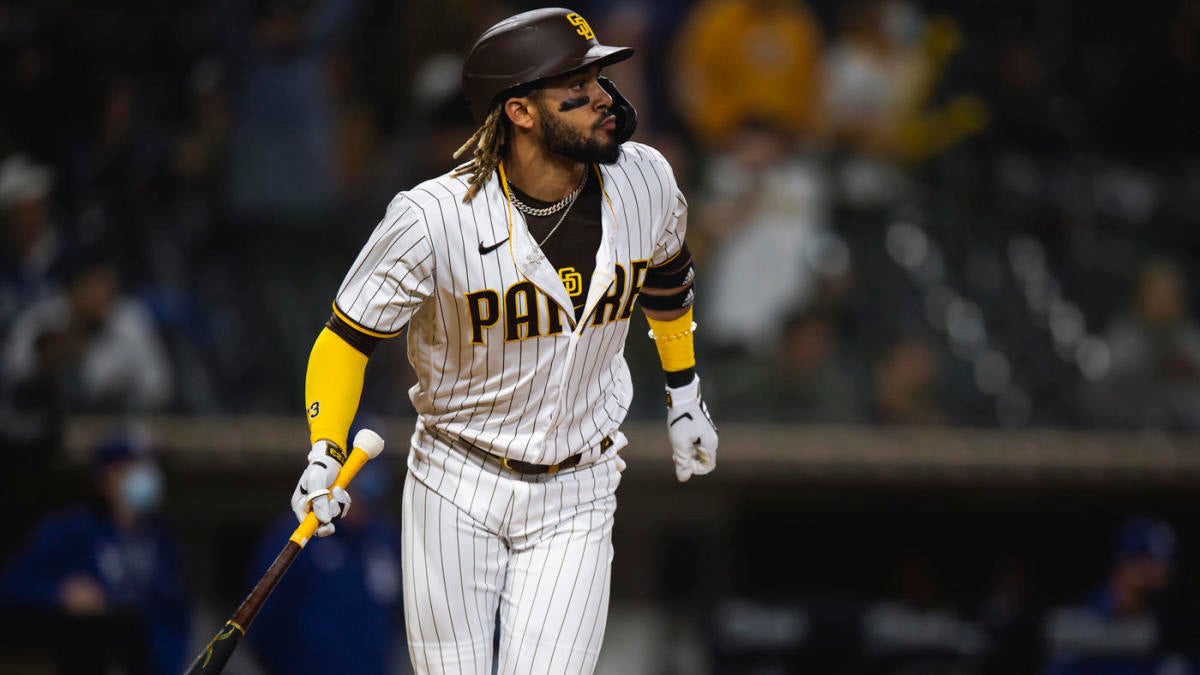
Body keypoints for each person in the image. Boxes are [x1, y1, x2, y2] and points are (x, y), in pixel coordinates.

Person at [287, 8, 719, 673]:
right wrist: (324, 449)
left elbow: (667, 278)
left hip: (581, 481)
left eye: (599, 77)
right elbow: (345, 337)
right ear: (520, 111)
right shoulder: (433, 218)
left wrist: (684, 390)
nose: (604, 97)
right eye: (576, 84)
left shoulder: (646, 179)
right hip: (457, 481)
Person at [0, 433, 192, 674]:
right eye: (132, 467)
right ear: (106, 477)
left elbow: (175, 615)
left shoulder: (161, 537)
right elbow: (12, 584)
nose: (145, 476)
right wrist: (59, 592)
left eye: (148, 467)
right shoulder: (72, 529)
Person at [247, 455, 405, 675]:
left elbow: (395, 618)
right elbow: (263, 620)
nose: (361, 504)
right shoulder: (298, 534)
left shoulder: (384, 540)